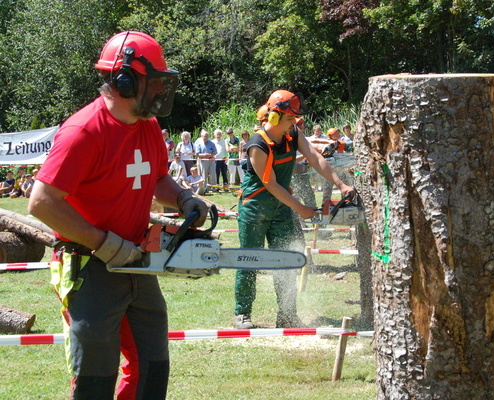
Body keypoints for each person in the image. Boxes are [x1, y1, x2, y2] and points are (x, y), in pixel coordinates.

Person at [27, 31, 208, 400]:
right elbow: (42, 201)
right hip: (89, 263)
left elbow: (157, 177)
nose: (160, 90)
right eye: (153, 81)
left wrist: (184, 198)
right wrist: (104, 243)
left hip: (137, 260)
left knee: (152, 364)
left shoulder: (148, 126)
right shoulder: (83, 131)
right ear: (124, 80)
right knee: (96, 371)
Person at [234, 89, 354, 329]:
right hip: (255, 207)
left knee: (286, 260)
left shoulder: (293, 134)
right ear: (275, 117)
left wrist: (341, 184)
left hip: (281, 207)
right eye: (290, 118)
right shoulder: (257, 145)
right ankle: (242, 314)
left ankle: (287, 314)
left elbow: (315, 158)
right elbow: (271, 184)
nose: (295, 123)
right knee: (250, 260)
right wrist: (300, 208)